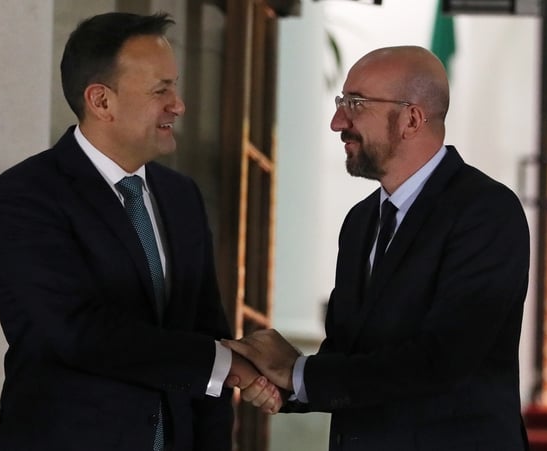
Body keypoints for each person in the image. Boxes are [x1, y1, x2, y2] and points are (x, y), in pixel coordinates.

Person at [0, 12, 279, 451]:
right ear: (101, 101)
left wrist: (223, 369)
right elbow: (77, 333)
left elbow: (206, 334)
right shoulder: (25, 196)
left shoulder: (182, 197)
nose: (178, 104)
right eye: (161, 90)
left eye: (174, 86)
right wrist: (226, 364)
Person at [225, 45, 531, 450]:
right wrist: (276, 383)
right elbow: (350, 360)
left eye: (356, 104)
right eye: (341, 102)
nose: (338, 121)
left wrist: (297, 373)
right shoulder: (360, 221)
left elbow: (440, 362)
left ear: (412, 119)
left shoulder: (487, 212)